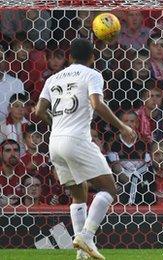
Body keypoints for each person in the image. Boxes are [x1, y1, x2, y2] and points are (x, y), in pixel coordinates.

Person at [34, 39, 137, 260]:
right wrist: (122, 126)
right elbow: (97, 104)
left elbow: (39, 111)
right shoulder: (91, 74)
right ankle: (87, 236)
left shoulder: (52, 79)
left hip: (55, 143)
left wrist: (56, 125)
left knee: (78, 195)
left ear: (69, 57)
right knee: (110, 189)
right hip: (77, 140)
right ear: (92, 58)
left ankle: (82, 254)